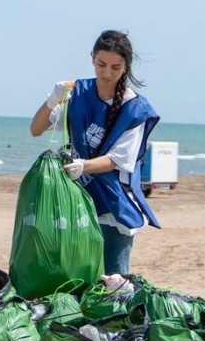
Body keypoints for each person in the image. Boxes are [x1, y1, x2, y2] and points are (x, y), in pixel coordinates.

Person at [30, 29, 161, 275]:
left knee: (114, 281)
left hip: (113, 204)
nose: (107, 73)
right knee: (78, 276)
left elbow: (116, 160)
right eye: (101, 64)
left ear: (126, 66)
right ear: (92, 58)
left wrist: (82, 166)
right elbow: (36, 129)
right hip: (78, 201)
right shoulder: (76, 94)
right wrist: (52, 101)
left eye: (115, 67)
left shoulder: (134, 108)